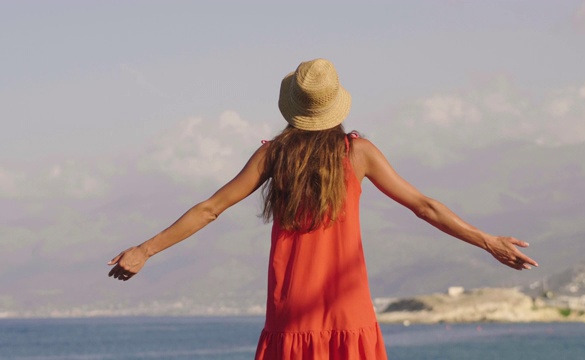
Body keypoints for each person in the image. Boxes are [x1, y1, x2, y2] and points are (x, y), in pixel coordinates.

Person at [108, 58, 538, 359]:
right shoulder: (359, 154)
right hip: (348, 312)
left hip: (290, 315)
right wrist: (488, 241)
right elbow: (425, 207)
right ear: (335, 107)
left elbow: (209, 208)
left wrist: (145, 250)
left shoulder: (273, 156)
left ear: (295, 107)